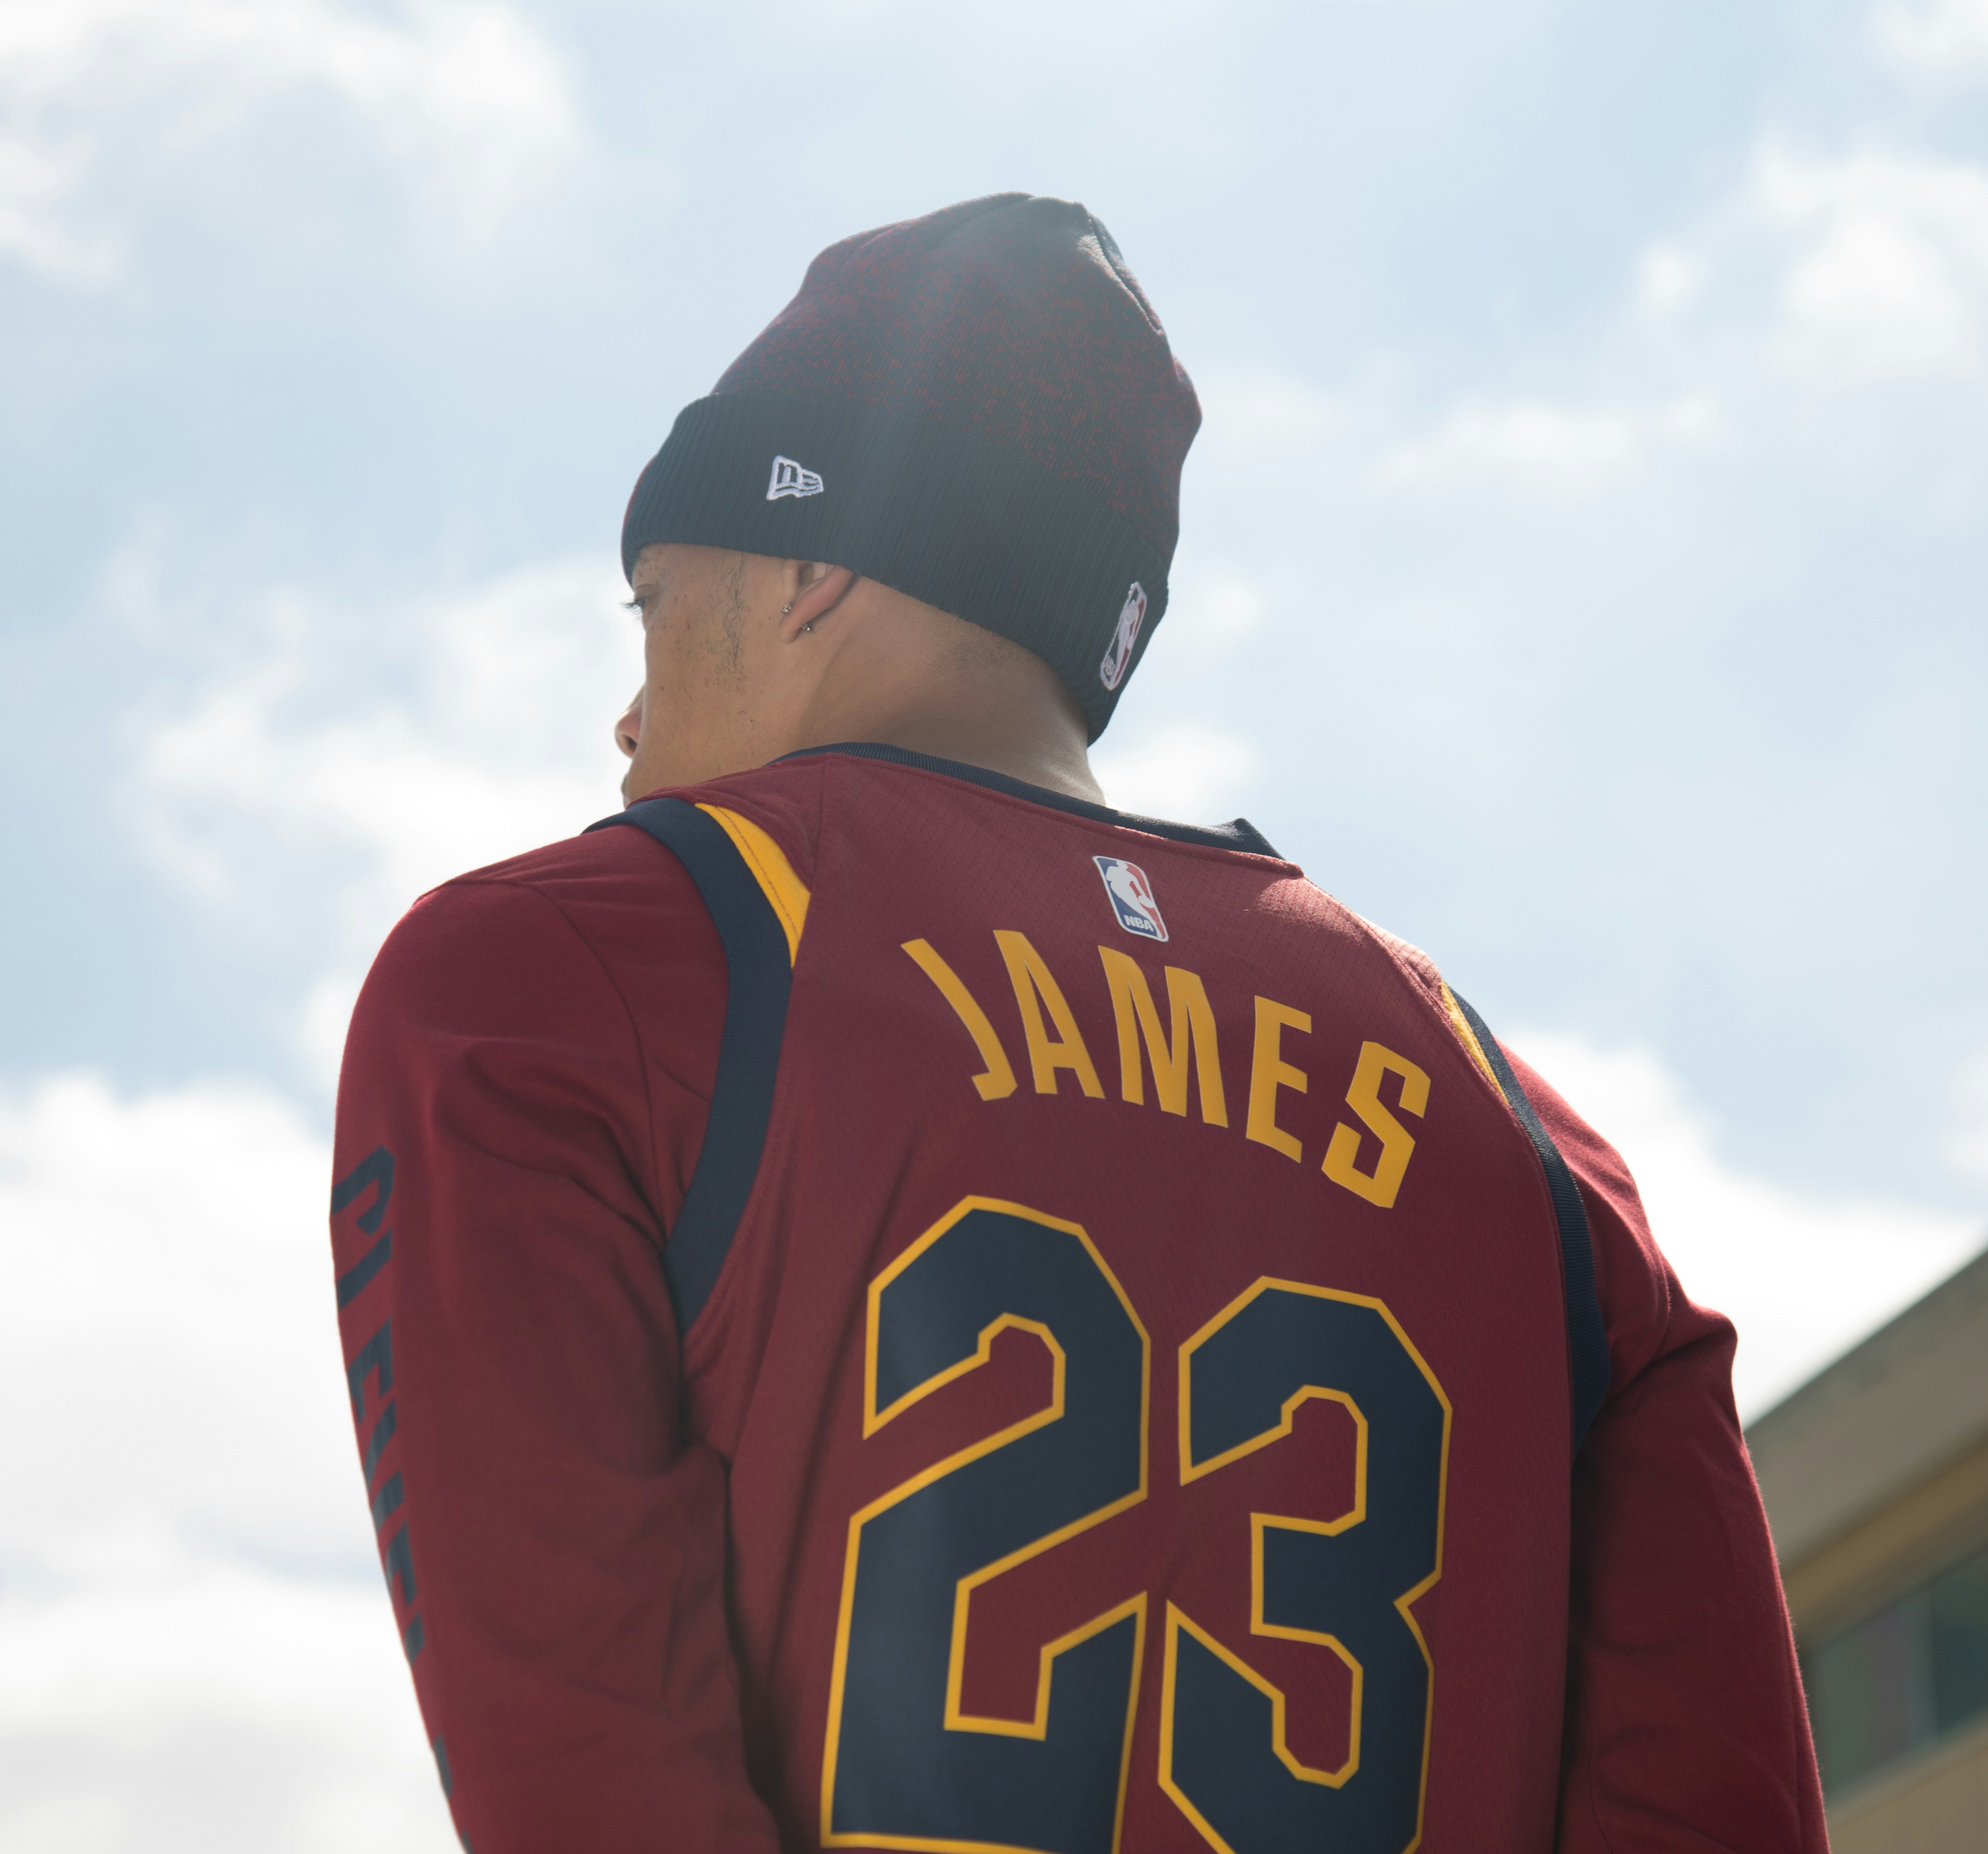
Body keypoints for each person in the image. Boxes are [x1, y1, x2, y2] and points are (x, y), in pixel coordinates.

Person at [328, 193, 1826, 1854]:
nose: (625, 715)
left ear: (816, 563)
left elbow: (586, 1798)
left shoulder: (544, 983)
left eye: (654, 607)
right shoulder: (1541, 1153)